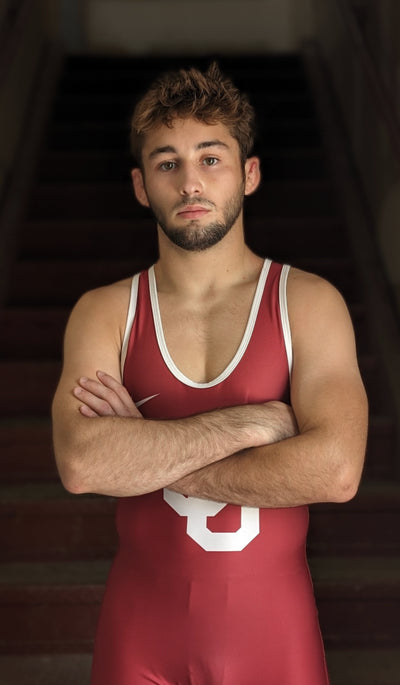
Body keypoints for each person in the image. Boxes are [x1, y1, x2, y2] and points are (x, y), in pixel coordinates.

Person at [52, 63, 368, 685]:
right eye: (167, 163)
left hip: (273, 639)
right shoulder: (105, 312)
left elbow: (336, 471)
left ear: (249, 174)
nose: (190, 181)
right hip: (140, 637)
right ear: (141, 185)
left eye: (211, 158)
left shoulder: (306, 303)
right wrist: (253, 425)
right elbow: (84, 464)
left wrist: (144, 453)